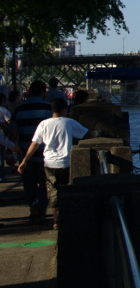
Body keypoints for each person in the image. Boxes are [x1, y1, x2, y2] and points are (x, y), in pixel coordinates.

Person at [18, 98, 90, 229]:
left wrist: (24, 161)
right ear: (64, 109)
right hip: (67, 162)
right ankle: (69, 216)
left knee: (53, 191)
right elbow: (87, 134)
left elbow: (34, 144)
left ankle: (56, 221)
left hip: (49, 163)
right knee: (68, 189)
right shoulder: (69, 122)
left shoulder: (43, 124)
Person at [9, 80, 51, 221]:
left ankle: (33, 205)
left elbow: (13, 134)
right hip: (44, 154)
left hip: (24, 154)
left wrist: (10, 153)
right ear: (41, 92)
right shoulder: (49, 108)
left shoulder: (18, 109)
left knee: (29, 184)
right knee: (46, 183)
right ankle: (39, 207)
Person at [0, 93, 12, 182]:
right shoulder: (3, 110)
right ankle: (1, 176)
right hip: (2, 135)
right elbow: (10, 122)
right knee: (1, 156)